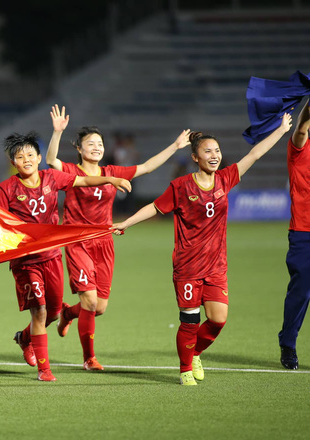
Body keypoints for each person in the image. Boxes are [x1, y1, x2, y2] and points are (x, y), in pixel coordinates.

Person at [112, 114, 293, 385]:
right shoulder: (181, 186)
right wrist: (126, 222)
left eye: (217, 151)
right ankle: (185, 369)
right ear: (195, 157)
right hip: (187, 267)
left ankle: (194, 352)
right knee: (189, 321)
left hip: (216, 266)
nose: (214, 155)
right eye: (207, 151)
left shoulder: (226, 178)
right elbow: (154, 207)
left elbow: (255, 154)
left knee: (218, 319)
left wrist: (281, 130)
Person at [46, 104, 190, 370]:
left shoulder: (112, 171)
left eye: (99, 143)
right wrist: (56, 133)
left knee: (98, 307)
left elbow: (146, 167)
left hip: (105, 241)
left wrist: (175, 146)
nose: (96, 147)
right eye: (90, 143)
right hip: (78, 241)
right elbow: (51, 160)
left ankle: (68, 313)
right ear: (79, 149)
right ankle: (89, 358)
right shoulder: (70, 171)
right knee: (89, 301)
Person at [0, 131, 131, 382]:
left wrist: (110, 179)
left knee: (55, 313)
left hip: (52, 256)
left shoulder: (52, 178)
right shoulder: (7, 188)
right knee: (40, 312)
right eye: (19, 156)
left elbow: (83, 182)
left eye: (30, 155)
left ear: (38, 158)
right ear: (13, 163)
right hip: (26, 261)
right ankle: (44, 370)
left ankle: (24, 338)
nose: (25, 159)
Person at [279, 98, 310, 370]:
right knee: (301, 291)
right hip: (304, 232)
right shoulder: (299, 149)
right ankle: (288, 343)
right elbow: (301, 128)